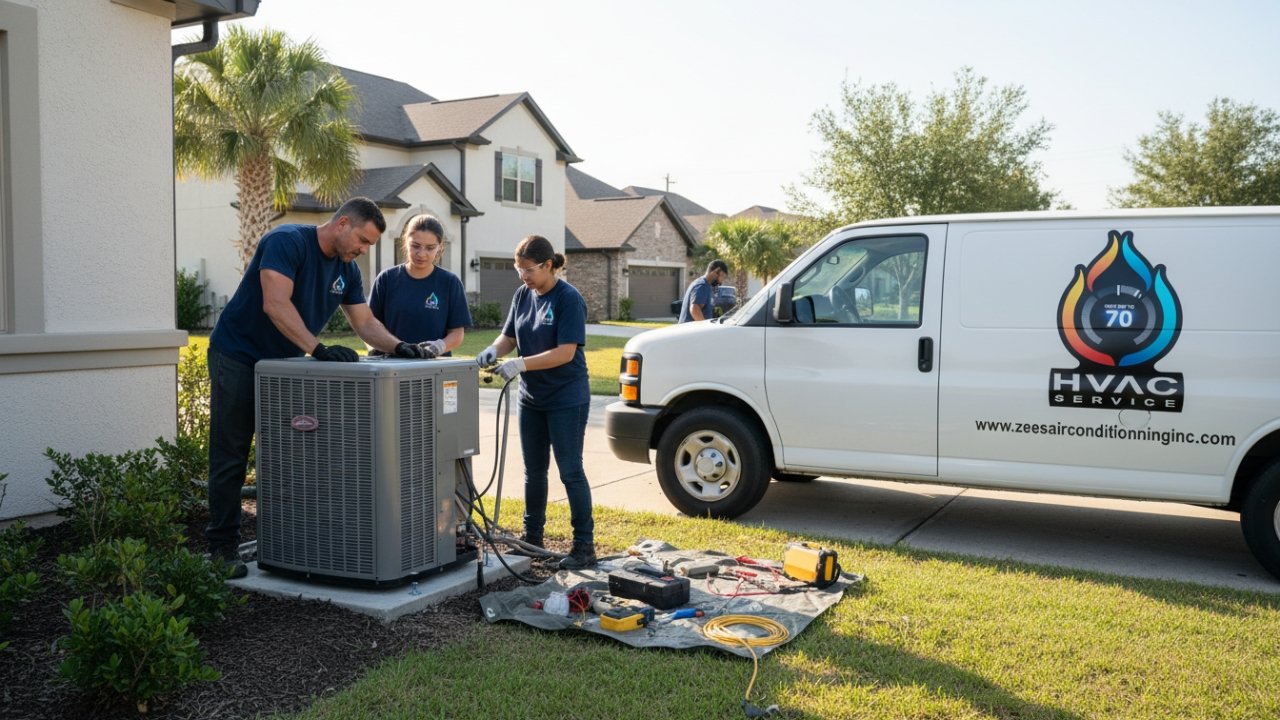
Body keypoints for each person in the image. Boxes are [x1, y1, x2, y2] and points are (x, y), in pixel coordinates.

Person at [205, 197, 433, 578]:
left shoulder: (348, 270)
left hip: (286, 368)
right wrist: (317, 348)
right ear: (342, 224)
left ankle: (290, 540)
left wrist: (400, 346)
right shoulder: (287, 242)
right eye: (362, 240)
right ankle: (221, 547)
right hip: (239, 357)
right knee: (231, 453)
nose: (363, 250)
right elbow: (275, 304)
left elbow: (364, 321)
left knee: (292, 456)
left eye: (370, 246)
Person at [476, 235, 596, 570]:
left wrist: (520, 363)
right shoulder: (522, 294)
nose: (523, 276)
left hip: (566, 397)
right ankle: (532, 540)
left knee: (570, 470)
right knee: (534, 471)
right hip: (532, 398)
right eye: (519, 270)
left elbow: (565, 352)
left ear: (547, 265)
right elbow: (510, 336)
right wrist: (494, 350)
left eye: (528, 270)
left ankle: (584, 547)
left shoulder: (568, 299)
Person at [368, 214, 471, 358]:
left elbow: (457, 333)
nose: (421, 254)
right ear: (405, 242)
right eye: (415, 246)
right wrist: (391, 347)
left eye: (430, 248)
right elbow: (369, 327)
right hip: (391, 365)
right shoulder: (386, 279)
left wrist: (440, 346)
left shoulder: (450, 283)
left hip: (434, 366)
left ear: (440, 247)